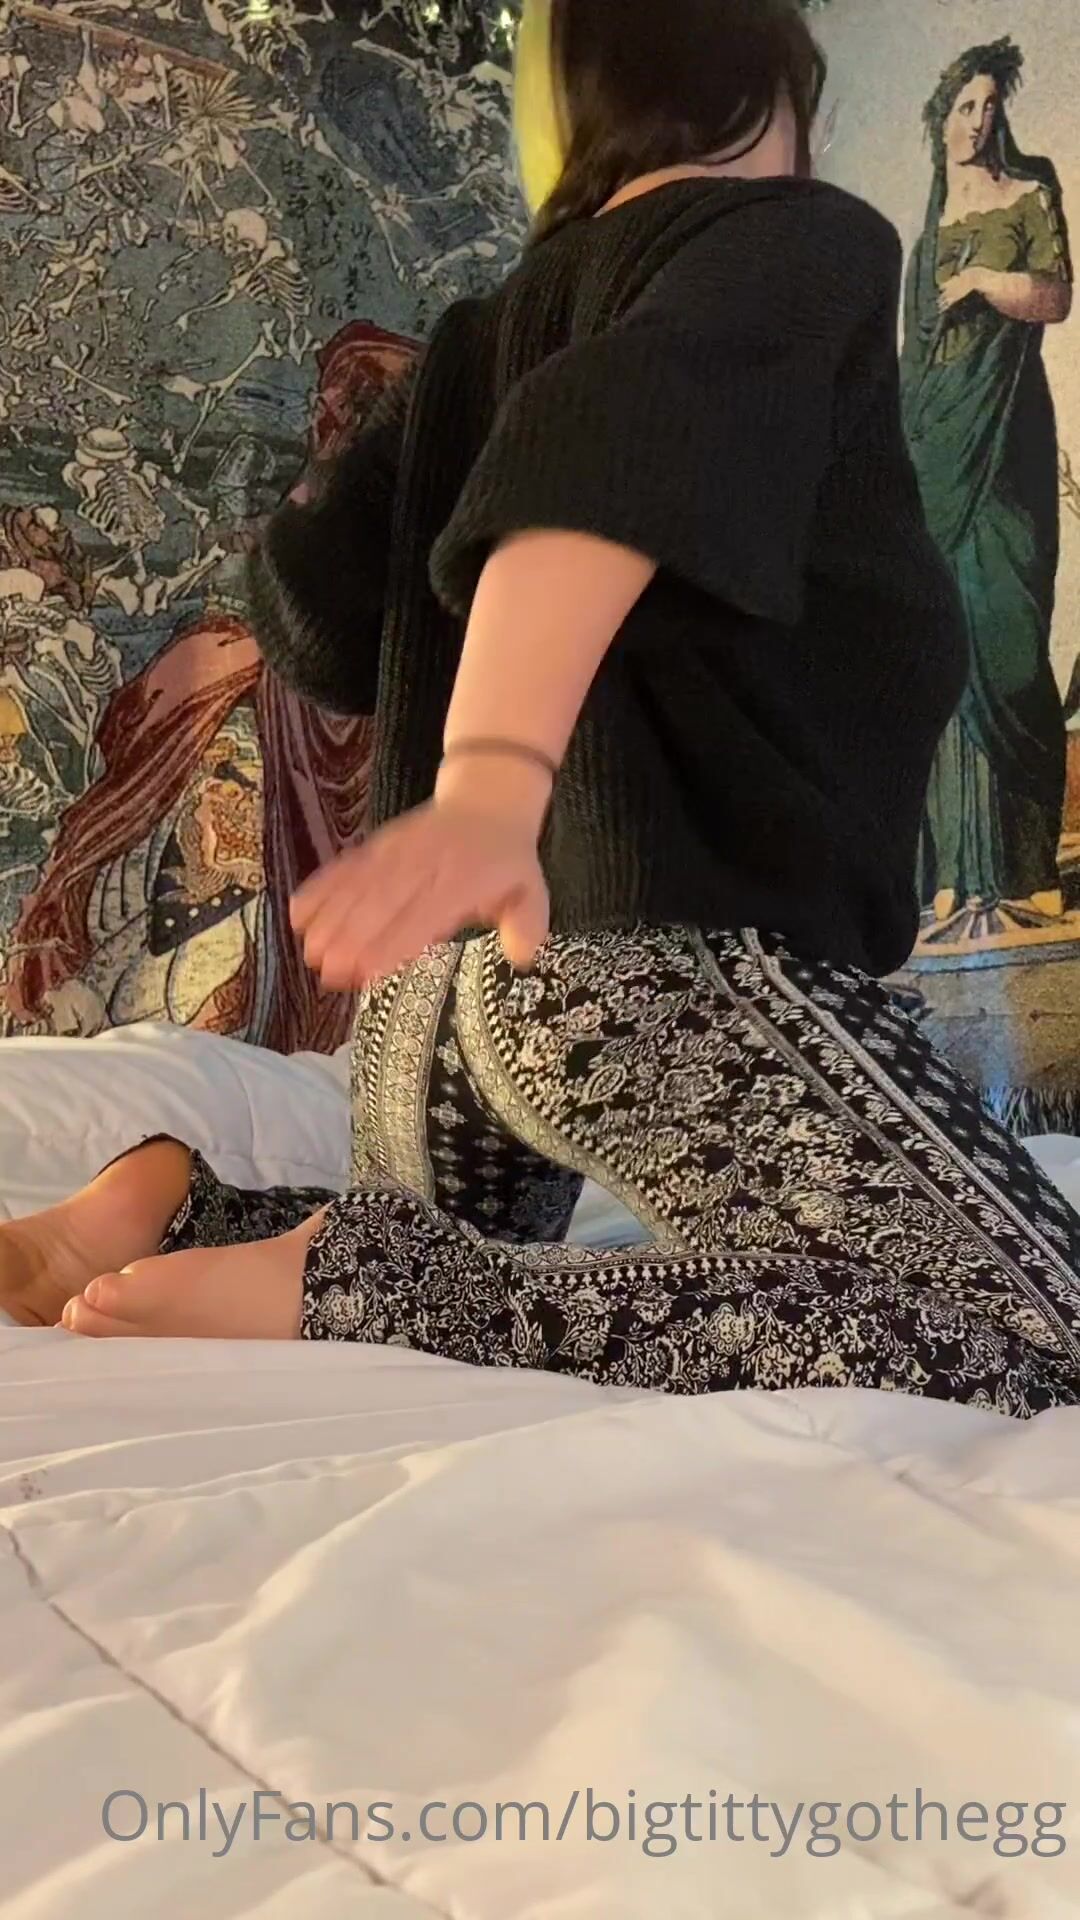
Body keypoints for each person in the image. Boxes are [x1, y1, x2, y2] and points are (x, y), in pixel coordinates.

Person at [4, 0, 1080, 1418]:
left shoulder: (481, 337)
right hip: (665, 968)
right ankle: (365, 1286)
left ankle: (185, 1209)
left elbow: (312, 611)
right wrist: (496, 780)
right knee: (1029, 1327)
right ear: (770, 85)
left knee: (540, 1254)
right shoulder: (796, 238)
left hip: (434, 1014)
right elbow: (618, 434)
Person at [901, 37, 1073, 935]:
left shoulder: (1031, 190)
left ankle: (1025, 864)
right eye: (963, 108)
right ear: (940, 122)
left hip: (1007, 440)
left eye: (988, 107)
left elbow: (1055, 297)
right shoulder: (928, 226)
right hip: (935, 449)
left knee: (1008, 637)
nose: (977, 122)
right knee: (943, 641)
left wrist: (978, 278)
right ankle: (954, 874)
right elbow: (913, 357)